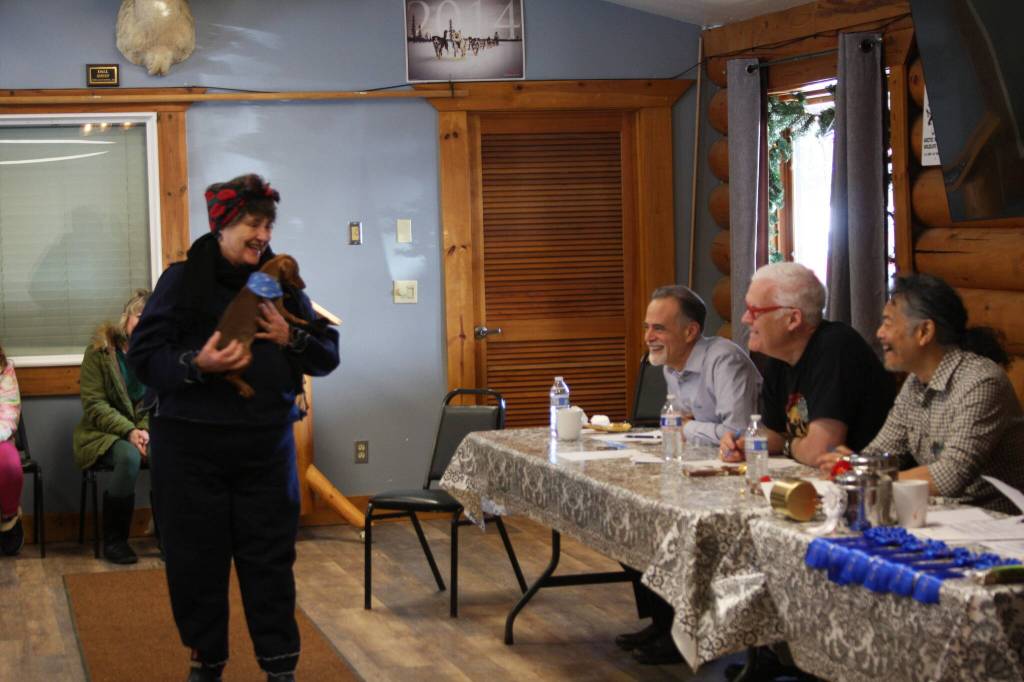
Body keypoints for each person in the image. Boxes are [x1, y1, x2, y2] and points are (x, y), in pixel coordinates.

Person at [127, 174, 340, 682]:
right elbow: (143, 358)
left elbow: (327, 355)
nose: (262, 233)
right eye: (252, 223)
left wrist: (291, 337)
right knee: (196, 565)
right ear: (221, 225)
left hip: (264, 450)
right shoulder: (179, 282)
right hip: (189, 452)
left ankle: (279, 668)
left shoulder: (277, 282)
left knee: (270, 564)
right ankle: (207, 663)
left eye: (268, 223)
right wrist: (196, 362)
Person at [617, 284, 761, 666]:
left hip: (737, 482)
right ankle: (662, 621)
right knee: (630, 517)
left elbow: (743, 434)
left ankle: (682, 633)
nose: (649, 336)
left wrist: (692, 427)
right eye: (648, 327)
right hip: (697, 469)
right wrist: (693, 427)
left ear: (690, 332)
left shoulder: (723, 361)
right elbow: (683, 425)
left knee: (664, 526)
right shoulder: (670, 365)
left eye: (659, 328)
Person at [819, 274, 1024, 512]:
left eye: (888, 323)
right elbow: (881, 452)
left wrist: (865, 473)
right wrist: (855, 465)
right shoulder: (915, 383)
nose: (879, 333)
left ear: (924, 332)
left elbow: (950, 475)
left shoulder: (981, 381)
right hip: (943, 516)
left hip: (998, 527)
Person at [720, 262, 895, 467]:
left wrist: (786, 444)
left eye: (755, 310)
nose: (745, 318)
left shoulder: (837, 347)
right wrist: (746, 442)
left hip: (872, 486)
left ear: (793, 319)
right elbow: (776, 433)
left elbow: (819, 452)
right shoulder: (779, 356)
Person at [73, 289, 151, 564]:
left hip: (142, 430)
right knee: (128, 457)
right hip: (101, 433)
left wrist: (144, 431)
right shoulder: (100, 351)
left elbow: (154, 401)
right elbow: (94, 405)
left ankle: (169, 535)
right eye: (141, 316)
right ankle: (115, 541)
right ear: (127, 317)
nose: (146, 322)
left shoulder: (153, 354)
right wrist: (129, 431)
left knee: (171, 452)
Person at [0, 344, 23, 557]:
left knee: (10, 467)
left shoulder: (4, 367)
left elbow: (9, 409)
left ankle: (9, 519)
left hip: (0, 435)